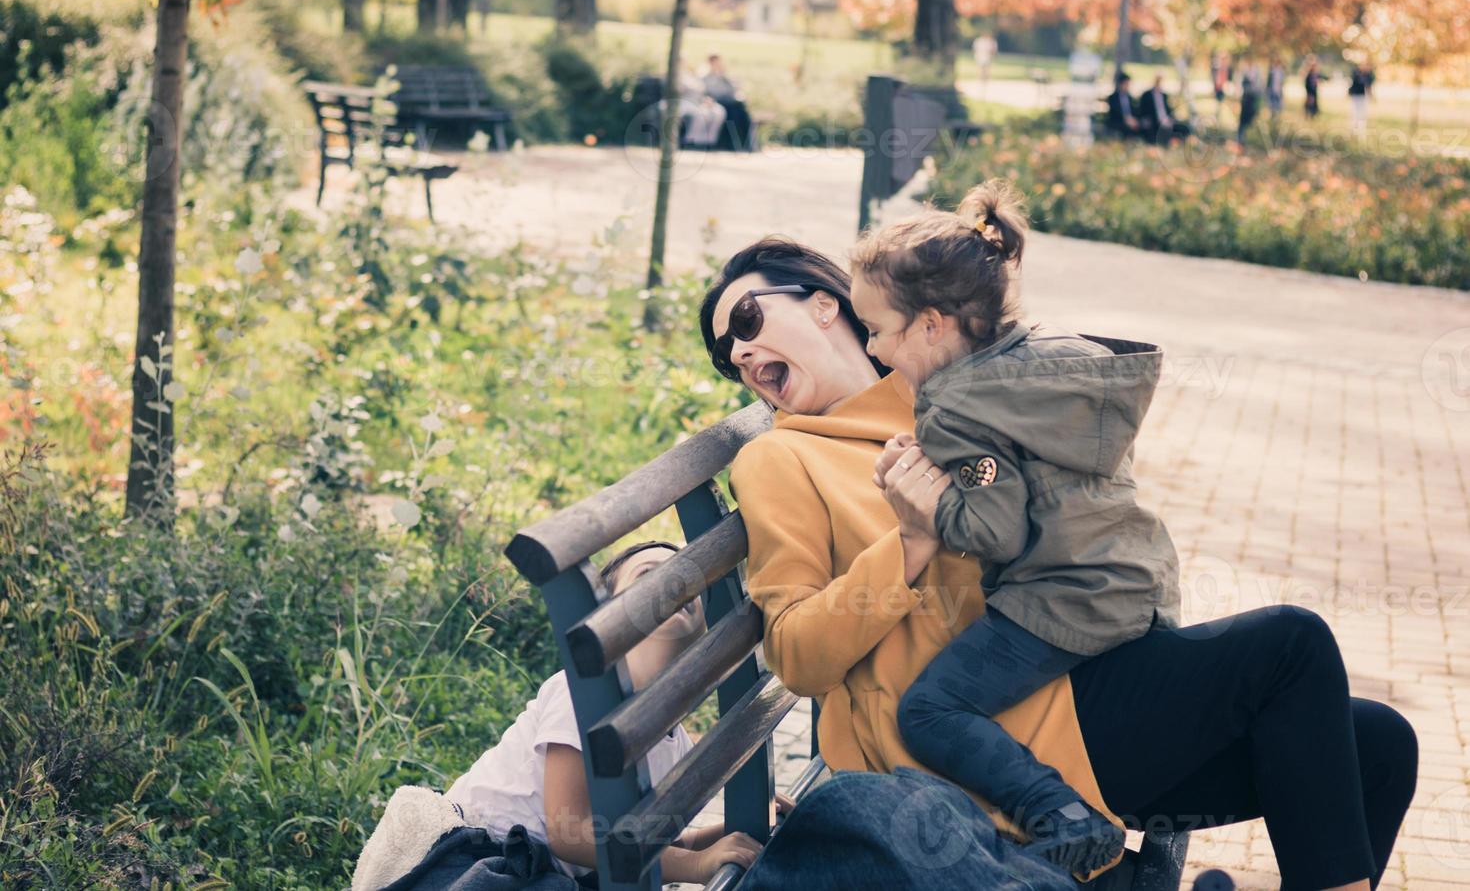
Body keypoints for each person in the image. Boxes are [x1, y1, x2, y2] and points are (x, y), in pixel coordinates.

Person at [700, 237, 1418, 890]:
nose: (736, 354)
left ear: (825, 305)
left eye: (745, 321)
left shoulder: (955, 388)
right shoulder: (783, 457)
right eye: (723, 355)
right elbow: (794, 656)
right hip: (981, 741)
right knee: (1291, 645)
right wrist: (910, 544)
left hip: (1067, 681)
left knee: (1379, 746)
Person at [841, 180, 1178, 873]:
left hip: (1064, 595)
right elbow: (1009, 474)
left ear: (932, 324)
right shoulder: (1042, 361)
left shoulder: (957, 411)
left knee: (931, 711)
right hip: (1135, 578)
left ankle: (1063, 816)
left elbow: (996, 522)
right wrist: (974, 471)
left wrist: (929, 499)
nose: (874, 352)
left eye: (877, 331)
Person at [444, 541, 767, 885]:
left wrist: (726, 836)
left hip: (543, 873)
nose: (674, 584)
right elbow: (569, 832)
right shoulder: (582, 695)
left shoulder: (675, 745)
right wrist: (693, 866)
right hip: (481, 857)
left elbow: (650, 847)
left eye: (691, 582)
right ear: (608, 616)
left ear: (704, 626)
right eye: (648, 574)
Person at [702, 54, 755, 152]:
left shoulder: (724, 77)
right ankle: (735, 144)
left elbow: (733, 90)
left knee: (743, 112)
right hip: (717, 102)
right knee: (735, 112)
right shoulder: (706, 77)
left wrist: (723, 76)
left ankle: (746, 144)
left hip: (730, 102)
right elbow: (708, 92)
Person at [671, 69, 726, 150]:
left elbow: (703, 93)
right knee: (700, 114)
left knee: (719, 111)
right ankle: (691, 141)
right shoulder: (676, 77)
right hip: (685, 102)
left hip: (699, 102)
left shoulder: (696, 78)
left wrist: (707, 100)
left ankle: (710, 141)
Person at [1138, 74, 1190, 145]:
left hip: (1167, 121)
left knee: (1184, 128)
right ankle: (1167, 141)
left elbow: (1168, 110)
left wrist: (1170, 119)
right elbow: (1143, 110)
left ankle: (1176, 141)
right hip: (1154, 122)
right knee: (1155, 133)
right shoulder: (1147, 95)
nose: (1159, 83)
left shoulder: (1164, 95)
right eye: (1158, 81)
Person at [1104, 71, 1143, 139]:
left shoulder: (1130, 98)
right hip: (1118, 122)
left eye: (1129, 84)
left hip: (1130, 121)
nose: (1128, 86)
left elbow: (1134, 111)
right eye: (1126, 84)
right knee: (1127, 128)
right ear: (1121, 84)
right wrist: (1126, 119)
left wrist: (1135, 120)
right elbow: (1115, 112)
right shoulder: (1113, 97)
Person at [1237, 63, 1262, 144]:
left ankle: (1248, 138)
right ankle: (1241, 138)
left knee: (1250, 121)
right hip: (1246, 101)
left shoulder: (1257, 78)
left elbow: (1259, 91)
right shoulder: (1245, 77)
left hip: (1252, 102)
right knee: (1243, 121)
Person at [1349, 63, 1375, 136]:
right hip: (1355, 95)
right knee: (1355, 112)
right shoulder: (1356, 73)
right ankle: (1353, 129)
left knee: (1363, 113)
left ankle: (1362, 129)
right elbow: (1353, 84)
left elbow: (1368, 86)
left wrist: (1371, 96)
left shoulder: (1369, 75)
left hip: (1363, 96)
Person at [1267, 58, 1286, 123]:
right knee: (1272, 104)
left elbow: (1282, 82)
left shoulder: (1281, 72)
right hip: (1272, 90)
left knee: (1278, 105)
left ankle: (1277, 117)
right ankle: (1273, 116)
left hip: (1278, 91)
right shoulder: (1272, 71)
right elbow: (1269, 82)